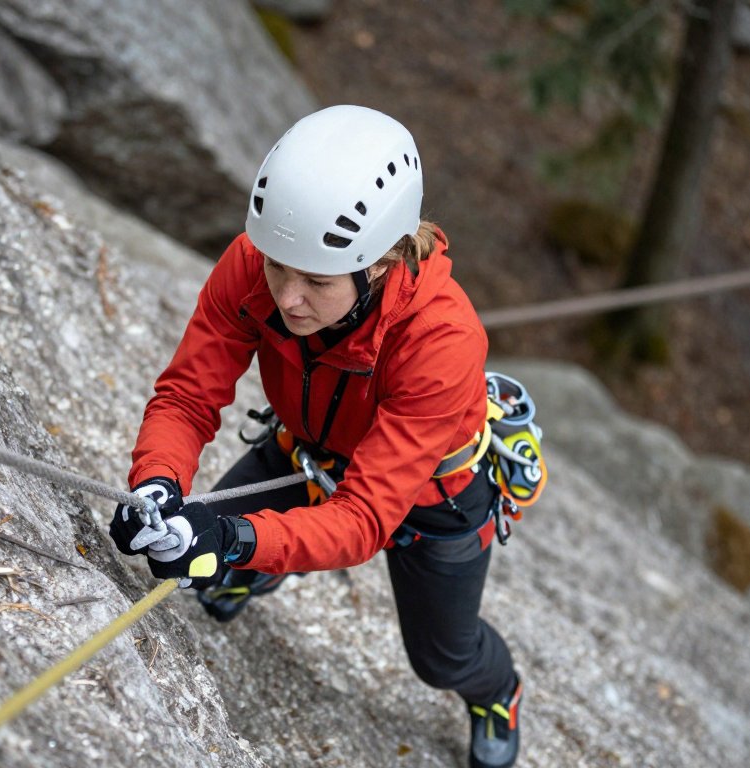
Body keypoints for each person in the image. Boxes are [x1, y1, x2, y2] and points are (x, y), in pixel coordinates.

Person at [109, 104, 545, 768]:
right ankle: (250, 572)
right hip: (307, 454)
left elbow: (365, 518)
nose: (288, 298)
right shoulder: (254, 263)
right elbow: (188, 395)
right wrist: (157, 485)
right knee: (208, 548)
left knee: (443, 657)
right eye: (279, 268)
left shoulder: (442, 342)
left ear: (384, 262)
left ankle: (498, 692)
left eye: (317, 281)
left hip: (435, 502)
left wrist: (233, 537)